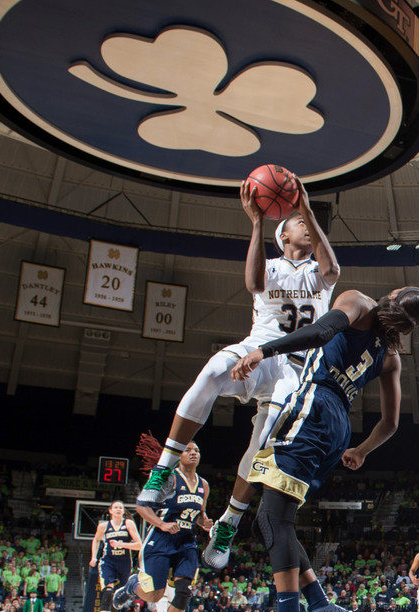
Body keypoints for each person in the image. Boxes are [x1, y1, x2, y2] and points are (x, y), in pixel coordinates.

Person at [137, 178, 339, 573]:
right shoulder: (272, 265)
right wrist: (257, 223)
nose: (304, 225)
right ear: (282, 236)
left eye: (306, 223)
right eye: (297, 222)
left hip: (295, 370)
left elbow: (332, 267)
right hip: (258, 351)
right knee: (213, 371)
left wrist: (306, 210)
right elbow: (252, 283)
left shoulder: (320, 271)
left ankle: (228, 522)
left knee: (261, 444)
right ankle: (162, 468)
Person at [229, 285, 419, 612]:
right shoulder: (391, 356)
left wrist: (263, 351)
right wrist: (362, 450)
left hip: (312, 407)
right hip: (337, 424)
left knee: (273, 519)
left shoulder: (360, 303)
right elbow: (390, 423)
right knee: (271, 520)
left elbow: (321, 332)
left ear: (393, 295)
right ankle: (321, 608)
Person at [112, 441, 212, 612]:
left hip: (186, 542)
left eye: (197, 450)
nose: (193, 453)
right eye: (188, 450)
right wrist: (161, 524)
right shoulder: (168, 478)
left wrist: (204, 522)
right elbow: (141, 506)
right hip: (160, 540)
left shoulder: (204, 484)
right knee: (155, 595)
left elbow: (198, 514)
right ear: (178, 456)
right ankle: (131, 587)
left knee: (184, 591)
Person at [90, 500, 143, 612]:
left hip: (124, 563)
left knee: (118, 599)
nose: (119, 509)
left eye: (121, 507)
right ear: (111, 511)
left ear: (123, 511)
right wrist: (94, 557)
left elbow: (139, 545)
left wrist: (121, 544)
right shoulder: (104, 526)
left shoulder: (129, 524)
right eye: (116, 507)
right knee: (108, 592)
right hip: (108, 562)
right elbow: (96, 540)